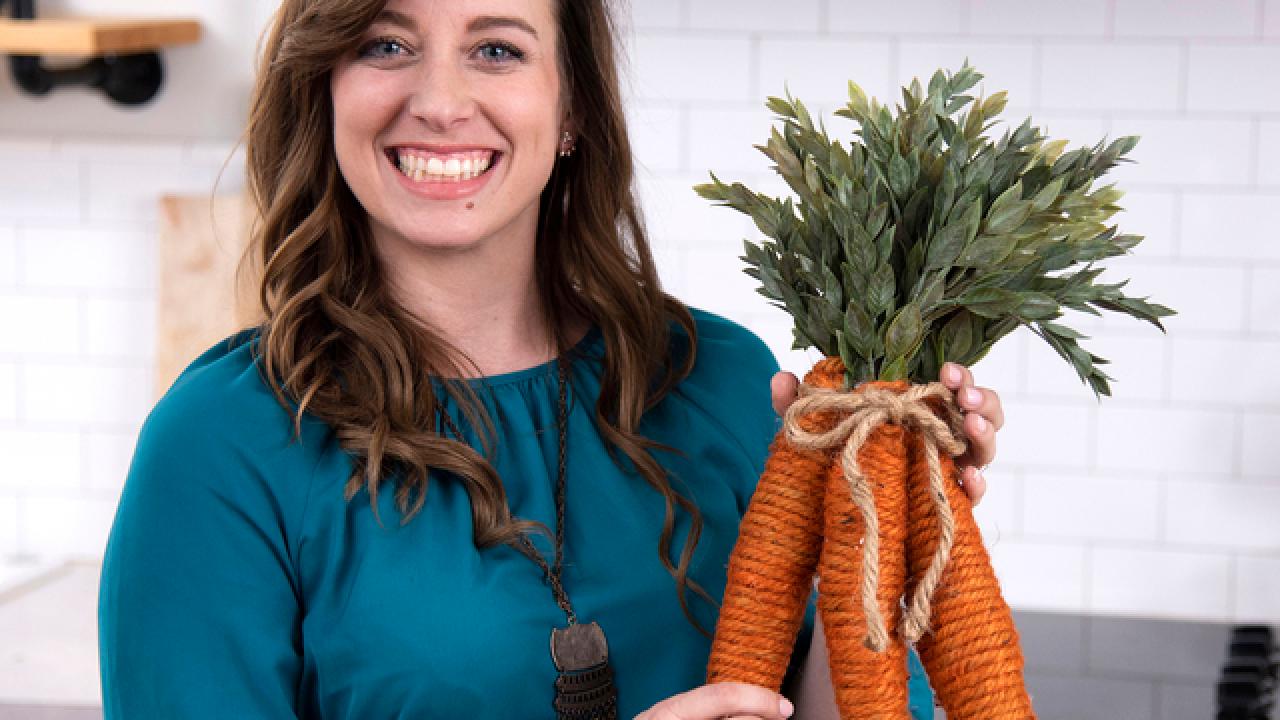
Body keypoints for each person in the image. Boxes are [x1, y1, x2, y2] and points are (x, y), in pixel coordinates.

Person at [97, 0, 1006, 718]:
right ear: (324, 85)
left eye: (497, 49)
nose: (441, 100)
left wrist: (888, 516)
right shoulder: (223, 444)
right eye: (384, 44)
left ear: (571, 107)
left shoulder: (723, 382)